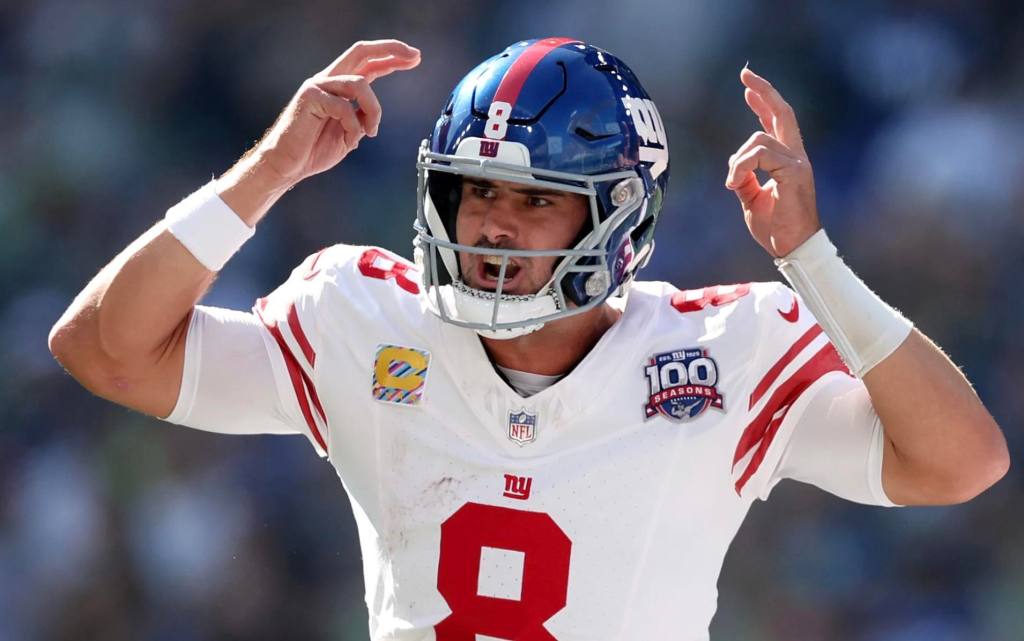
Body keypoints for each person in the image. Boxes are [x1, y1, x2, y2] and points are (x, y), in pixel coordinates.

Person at [49, 37, 1009, 640]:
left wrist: (811, 259)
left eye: (538, 200)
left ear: (619, 215)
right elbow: (104, 350)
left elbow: (961, 462)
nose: (494, 226)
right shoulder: (366, 317)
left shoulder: (725, 351)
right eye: (477, 191)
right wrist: (265, 173)